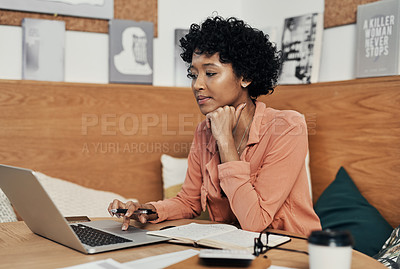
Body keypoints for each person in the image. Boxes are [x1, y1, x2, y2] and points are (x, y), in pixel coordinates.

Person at [108, 16, 321, 235]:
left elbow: (254, 222)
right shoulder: (204, 131)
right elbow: (189, 202)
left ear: (245, 76)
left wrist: (225, 140)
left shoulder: (288, 127)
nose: (197, 85)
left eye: (210, 73)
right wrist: (147, 210)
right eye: (193, 75)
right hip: (231, 248)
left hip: (290, 252)